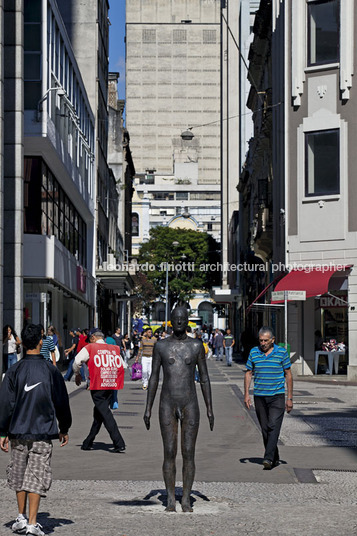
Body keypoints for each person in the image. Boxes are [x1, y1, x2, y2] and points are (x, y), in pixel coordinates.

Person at [0, 323, 71, 536]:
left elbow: (5, 404)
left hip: (18, 431)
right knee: (37, 475)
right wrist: (64, 427)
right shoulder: (51, 370)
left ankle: (20, 517)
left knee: (19, 473)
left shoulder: (14, 371)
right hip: (43, 430)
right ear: (41, 341)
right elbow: (61, 401)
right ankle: (32, 522)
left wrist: (3, 431)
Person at [144, 306, 214, 512]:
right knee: (169, 451)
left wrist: (210, 407)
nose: (180, 322)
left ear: (187, 322)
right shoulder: (161, 346)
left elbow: (205, 378)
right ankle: (171, 498)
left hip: (189, 402)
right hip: (167, 402)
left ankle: (186, 498)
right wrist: (148, 407)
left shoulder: (196, 345)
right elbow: (154, 377)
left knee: (189, 452)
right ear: (171, 322)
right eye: (176, 319)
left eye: (183, 319)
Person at [244, 326, 293, 470]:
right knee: (265, 428)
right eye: (261, 340)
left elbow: (288, 375)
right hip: (259, 396)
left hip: (277, 396)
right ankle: (274, 456)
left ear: (273, 340)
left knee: (273, 426)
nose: (263, 343)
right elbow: (248, 373)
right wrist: (246, 394)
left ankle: (268, 458)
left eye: (266, 340)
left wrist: (289, 398)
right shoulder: (254, 352)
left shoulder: (282, 353)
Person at [73, 328, 126, 452]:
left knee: (105, 413)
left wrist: (77, 374)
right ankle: (88, 441)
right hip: (110, 384)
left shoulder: (91, 348)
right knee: (99, 413)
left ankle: (118, 442)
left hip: (97, 385)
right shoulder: (114, 349)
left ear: (93, 338)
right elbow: (123, 365)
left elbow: (76, 361)